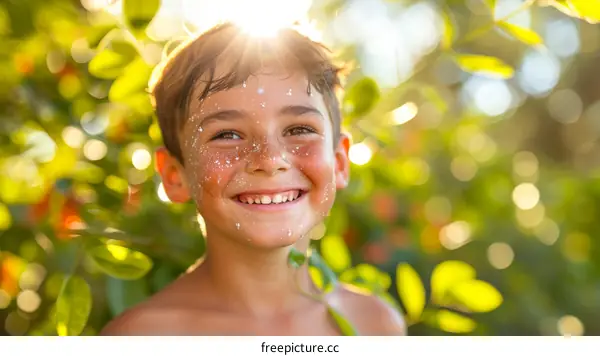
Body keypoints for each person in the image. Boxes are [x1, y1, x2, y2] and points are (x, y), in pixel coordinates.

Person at [100, 21, 406, 336]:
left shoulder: (374, 325)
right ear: (175, 176)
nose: (270, 160)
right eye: (227, 135)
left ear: (339, 162)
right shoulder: (142, 338)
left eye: (299, 130)